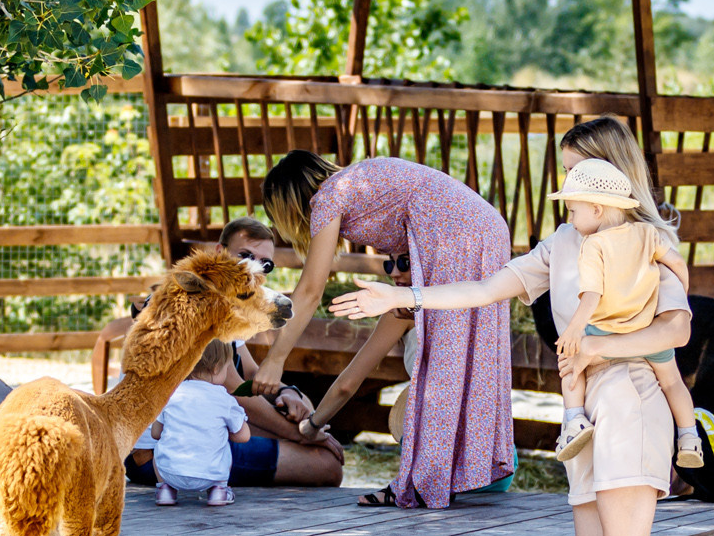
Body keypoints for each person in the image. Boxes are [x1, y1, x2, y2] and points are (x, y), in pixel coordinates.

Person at [333, 115, 706, 536]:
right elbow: (485, 287)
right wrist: (404, 299)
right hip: (584, 411)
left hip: (631, 400)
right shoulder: (563, 243)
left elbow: (675, 331)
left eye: (573, 175)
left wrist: (599, 345)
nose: (566, 189)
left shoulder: (647, 241)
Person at [252, 152, 514, 509]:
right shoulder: (363, 190)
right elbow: (349, 380)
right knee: (465, 353)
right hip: (485, 228)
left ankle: (425, 482)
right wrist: (313, 425)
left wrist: (274, 360)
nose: (393, 270)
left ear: (288, 203)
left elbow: (311, 290)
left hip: (456, 235)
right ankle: (455, 471)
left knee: (441, 359)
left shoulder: (329, 196)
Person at [119, 217, 348, 491]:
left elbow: (249, 374)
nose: (254, 267)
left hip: (194, 427)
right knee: (326, 465)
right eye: (245, 256)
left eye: (265, 263)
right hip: (163, 454)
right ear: (219, 252)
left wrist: (289, 393)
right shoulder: (197, 301)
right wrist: (303, 436)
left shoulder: (229, 302)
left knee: (301, 413)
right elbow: (236, 390)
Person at [545, 157, 708, 470]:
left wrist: (575, 329)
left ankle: (574, 421)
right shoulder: (646, 233)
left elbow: (592, 295)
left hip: (605, 332)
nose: (572, 219)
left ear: (596, 209)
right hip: (646, 334)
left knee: (570, 366)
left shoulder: (592, 246)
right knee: (673, 382)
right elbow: (676, 264)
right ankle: (689, 438)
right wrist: (680, 293)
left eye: (573, 210)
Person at [144, 339, 250, 508]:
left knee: (158, 445)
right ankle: (218, 490)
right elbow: (244, 436)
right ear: (216, 368)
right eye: (227, 367)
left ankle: (165, 489)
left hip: (171, 473)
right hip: (209, 475)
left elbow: (155, 434)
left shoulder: (170, 395)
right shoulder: (224, 399)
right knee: (225, 446)